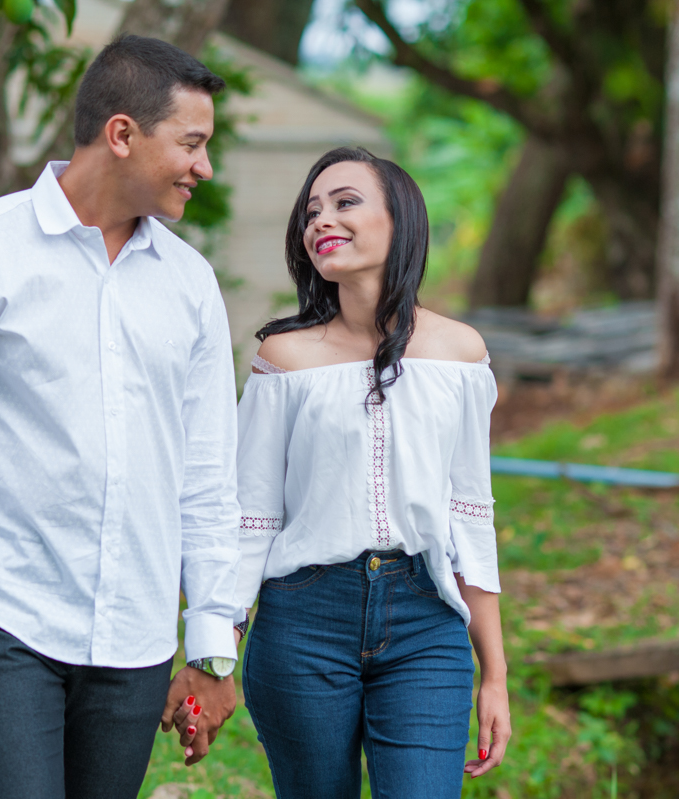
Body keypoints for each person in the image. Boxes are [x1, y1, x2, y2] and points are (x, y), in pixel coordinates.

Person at [0, 35, 244, 799]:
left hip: (135, 638)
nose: (204, 167)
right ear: (121, 134)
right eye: (192, 143)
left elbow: (208, 473)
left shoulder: (190, 285)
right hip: (1, 620)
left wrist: (212, 647)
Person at [173, 146, 510, 798]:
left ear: (400, 219)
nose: (322, 218)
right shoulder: (285, 358)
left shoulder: (461, 354)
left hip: (426, 622)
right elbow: (251, 517)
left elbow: (471, 513)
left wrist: (493, 672)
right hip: (304, 622)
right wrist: (214, 656)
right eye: (311, 211)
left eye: (346, 201)